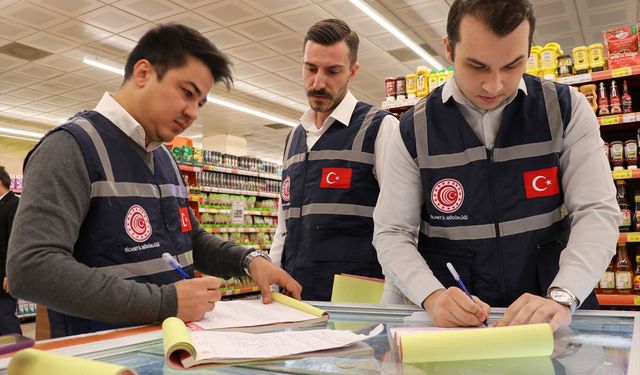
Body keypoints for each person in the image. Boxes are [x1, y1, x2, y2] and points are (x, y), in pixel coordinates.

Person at [7, 24, 301, 338]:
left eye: (200, 103)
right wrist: (166, 302)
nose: (192, 113)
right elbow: (30, 268)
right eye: (187, 93)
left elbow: (189, 238)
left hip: (173, 348)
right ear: (144, 72)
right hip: (104, 357)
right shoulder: (70, 148)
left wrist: (248, 260)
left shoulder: (164, 158)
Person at [373, 0, 619, 331]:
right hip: (459, 325)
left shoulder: (565, 109)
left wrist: (564, 295)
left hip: (553, 314)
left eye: (512, 65)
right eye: (477, 66)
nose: (494, 85)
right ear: (449, 49)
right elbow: (392, 232)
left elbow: (597, 211)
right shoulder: (414, 128)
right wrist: (430, 295)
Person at [269, 19, 399, 301]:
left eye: (332, 71)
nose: (318, 82)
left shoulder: (380, 128)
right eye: (311, 68)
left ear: (352, 72)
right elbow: (284, 228)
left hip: (357, 306)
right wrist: (271, 286)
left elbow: (398, 226)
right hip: (296, 300)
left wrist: (388, 308)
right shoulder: (294, 138)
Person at [0, 167, 21, 335]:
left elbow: (15, 241)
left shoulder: (14, 204)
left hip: (5, 275)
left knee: (5, 318)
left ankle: (19, 355)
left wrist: (9, 273)